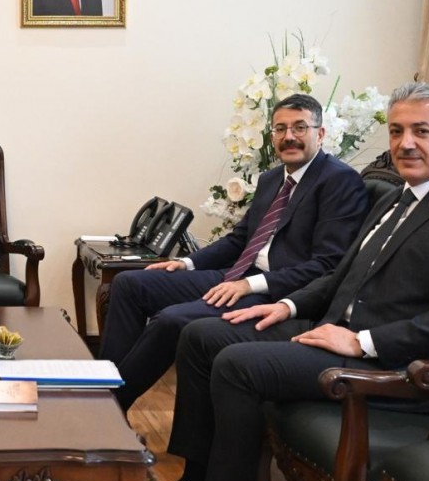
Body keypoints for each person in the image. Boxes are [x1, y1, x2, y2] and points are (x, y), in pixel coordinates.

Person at [150, 82, 429, 481]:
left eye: (421, 131)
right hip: (333, 332)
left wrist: (363, 341)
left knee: (236, 365)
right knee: (200, 336)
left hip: (395, 365)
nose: (406, 143)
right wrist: (286, 305)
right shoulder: (396, 198)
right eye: (397, 131)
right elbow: (340, 275)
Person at [100, 93, 368, 412]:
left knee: (172, 320)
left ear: (320, 133)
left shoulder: (339, 181)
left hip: (277, 292)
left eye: (300, 127)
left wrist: (248, 285)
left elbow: (327, 265)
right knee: (130, 284)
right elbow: (240, 239)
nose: (289, 136)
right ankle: (101, 385)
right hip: (238, 276)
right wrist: (186, 263)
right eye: (280, 129)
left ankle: (109, 406)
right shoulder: (271, 179)